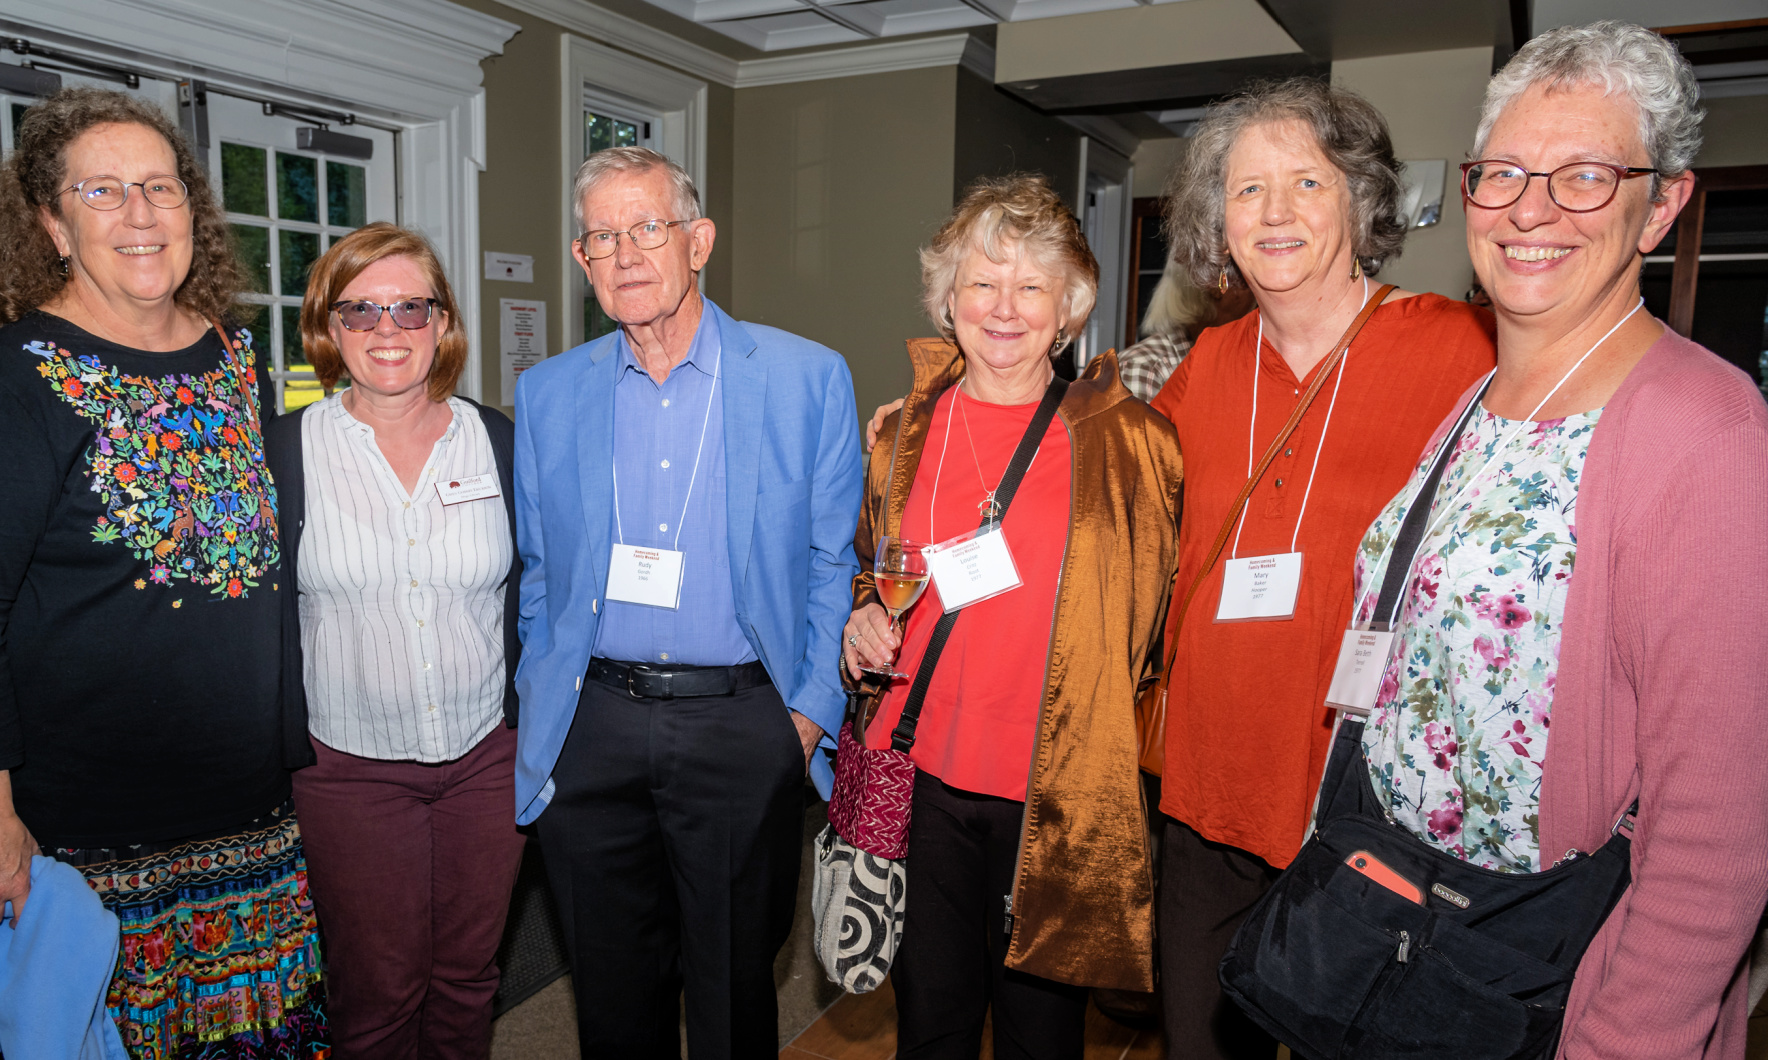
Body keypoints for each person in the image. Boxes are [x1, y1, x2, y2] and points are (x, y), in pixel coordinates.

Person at [1349, 22, 1768, 1057]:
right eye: (1503, 175)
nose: (1530, 209)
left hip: (1549, 987)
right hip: (1407, 937)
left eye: (1584, 176)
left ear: (1661, 205)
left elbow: (1714, 843)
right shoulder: (1478, 401)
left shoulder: (1709, 432)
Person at [0, 88, 325, 1059]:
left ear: (192, 210)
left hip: (248, 810)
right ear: (52, 224)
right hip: (88, 829)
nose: (140, 214)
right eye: (103, 191)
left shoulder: (232, 359)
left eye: (160, 187)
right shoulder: (7, 383)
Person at [1147, 80, 1498, 1059]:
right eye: (1248, 189)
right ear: (1221, 221)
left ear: (1361, 200)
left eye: (1307, 180)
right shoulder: (1201, 368)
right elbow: (1105, 506)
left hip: (1368, 803)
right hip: (1206, 792)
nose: (1277, 211)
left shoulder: (1457, 350)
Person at [510, 146, 863, 1059]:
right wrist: (548, 702)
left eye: (647, 228)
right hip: (592, 730)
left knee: (735, 987)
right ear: (582, 262)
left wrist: (805, 719)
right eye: (601, 237)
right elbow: (541, 571)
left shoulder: (804, 378)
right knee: (610, 993)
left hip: (745, 725)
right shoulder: (546, 395)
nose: (625, 253)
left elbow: (834, 564)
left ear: (697, 241)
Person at [842, 174, 1182, 1057]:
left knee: (1041, 1037)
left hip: (1053, 797)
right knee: (931, 1025)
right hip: (921, 784)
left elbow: (1155, 623)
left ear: (1068, 308)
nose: (1004, 308)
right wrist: (862, 623)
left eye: (1031, 286)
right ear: (947, 302)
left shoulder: (1128, 441)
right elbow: (872, 574)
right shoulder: (897, 436)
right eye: (982, 283)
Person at [265, 223, 524, 1058]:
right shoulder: (282, 453)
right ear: (328, 328)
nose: (388, 329)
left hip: (490, 759)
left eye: (412, 308)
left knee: (467, 977)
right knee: (377, 988)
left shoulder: (502, 443)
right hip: (349, 768)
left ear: (443, 324)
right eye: (362, 310)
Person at [1119, 255, 1254, 401]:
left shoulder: (1244, 361)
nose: (1257, 294)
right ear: (1214, 285)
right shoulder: (1144, 368)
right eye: (1247, 280)